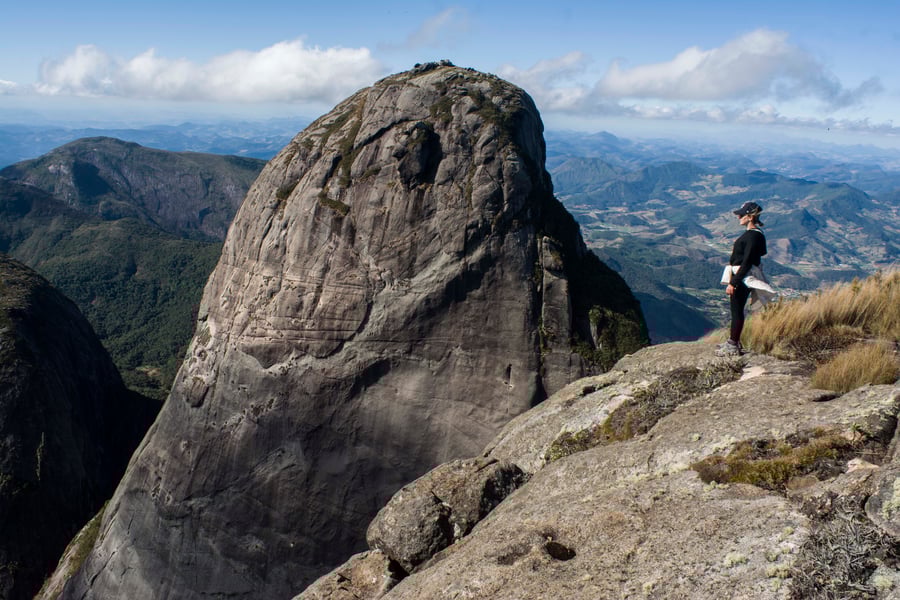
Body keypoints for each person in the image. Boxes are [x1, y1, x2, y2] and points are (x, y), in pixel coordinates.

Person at [717, 201, 775, 357]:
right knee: (736, 310)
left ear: (750, 217)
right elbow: (759, 254)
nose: (739, 218)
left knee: (736, 311)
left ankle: (733, 345)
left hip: (742, 276)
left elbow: (747, 261)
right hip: (744, 275)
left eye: (741, 215)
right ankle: (732, 341)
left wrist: (733, 282)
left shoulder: (752, 236)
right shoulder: (757, 234)